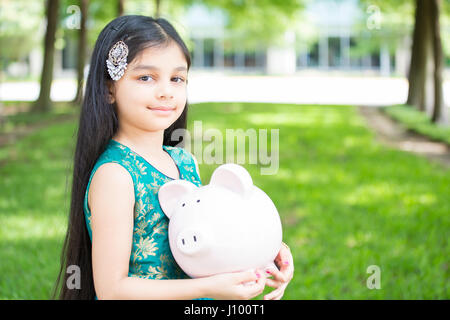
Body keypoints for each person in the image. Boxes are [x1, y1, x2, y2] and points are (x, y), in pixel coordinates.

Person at [54, 15, 293, 300]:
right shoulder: (116, 174)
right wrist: (207, 288)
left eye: (177, 78)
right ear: (109, 89)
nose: (166, 91)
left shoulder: (183, 161)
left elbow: (206, 236)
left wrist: (262, 251)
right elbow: (112, 290)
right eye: (146, 77)